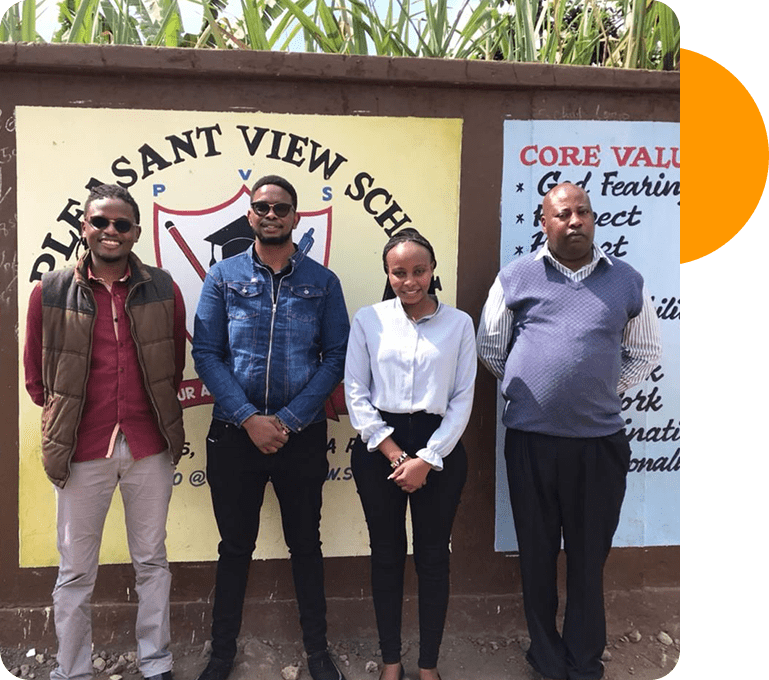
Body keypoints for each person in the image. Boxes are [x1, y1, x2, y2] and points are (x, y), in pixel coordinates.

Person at [476, 182, 662, 680]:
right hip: (531, 443)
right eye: (563, 213)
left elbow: (644, 352)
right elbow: (492, 348)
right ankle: (546, 654)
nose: (575, 220)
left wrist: (601, 388)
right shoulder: (517, 277)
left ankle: (583, 661)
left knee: (587, 558)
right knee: (536, 554)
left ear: (593, 218)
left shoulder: (626, 279)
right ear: (544, 222)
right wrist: (534, 390)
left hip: (598, 445)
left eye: (583, 211)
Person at [24, 183, 186, 680]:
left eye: (121, 224)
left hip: (148, 445)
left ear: (136, 232)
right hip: (81, 448)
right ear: (84, 228)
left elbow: (173, 364)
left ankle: (156, 663)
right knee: (75, 572)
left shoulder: (163, 287)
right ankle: (71, 670)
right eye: (100, 222)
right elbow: (36, 376)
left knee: (152, 561)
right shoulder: (50, 290)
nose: (110, 231)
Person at [192, 175, 350, 680]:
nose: (271, 214)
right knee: (234, 547)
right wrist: (248, 418)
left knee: (306, 544)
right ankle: (221, 655)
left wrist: (285, 420)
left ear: (295, 217)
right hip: (233, 435)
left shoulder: (323, 283)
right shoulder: (222, 277)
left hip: (298, 437)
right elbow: (207, 353)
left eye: (281, 207)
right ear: (250, 214)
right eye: (262, 206)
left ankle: (318, 654)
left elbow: (336, 357)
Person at [345, 228, 476, 680]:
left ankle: (428, 665)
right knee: (385, 554)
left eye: (419, 270)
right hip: (380, 446)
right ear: (388, 273)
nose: (410, 280)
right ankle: (390, 662)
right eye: (399, 272)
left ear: (433, 270)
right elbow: (356, 393)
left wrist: (427, 458)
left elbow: (462, 400)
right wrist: (396, 453)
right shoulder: (369, 320)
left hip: (440, 446)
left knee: (433, 556)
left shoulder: (459, 324)